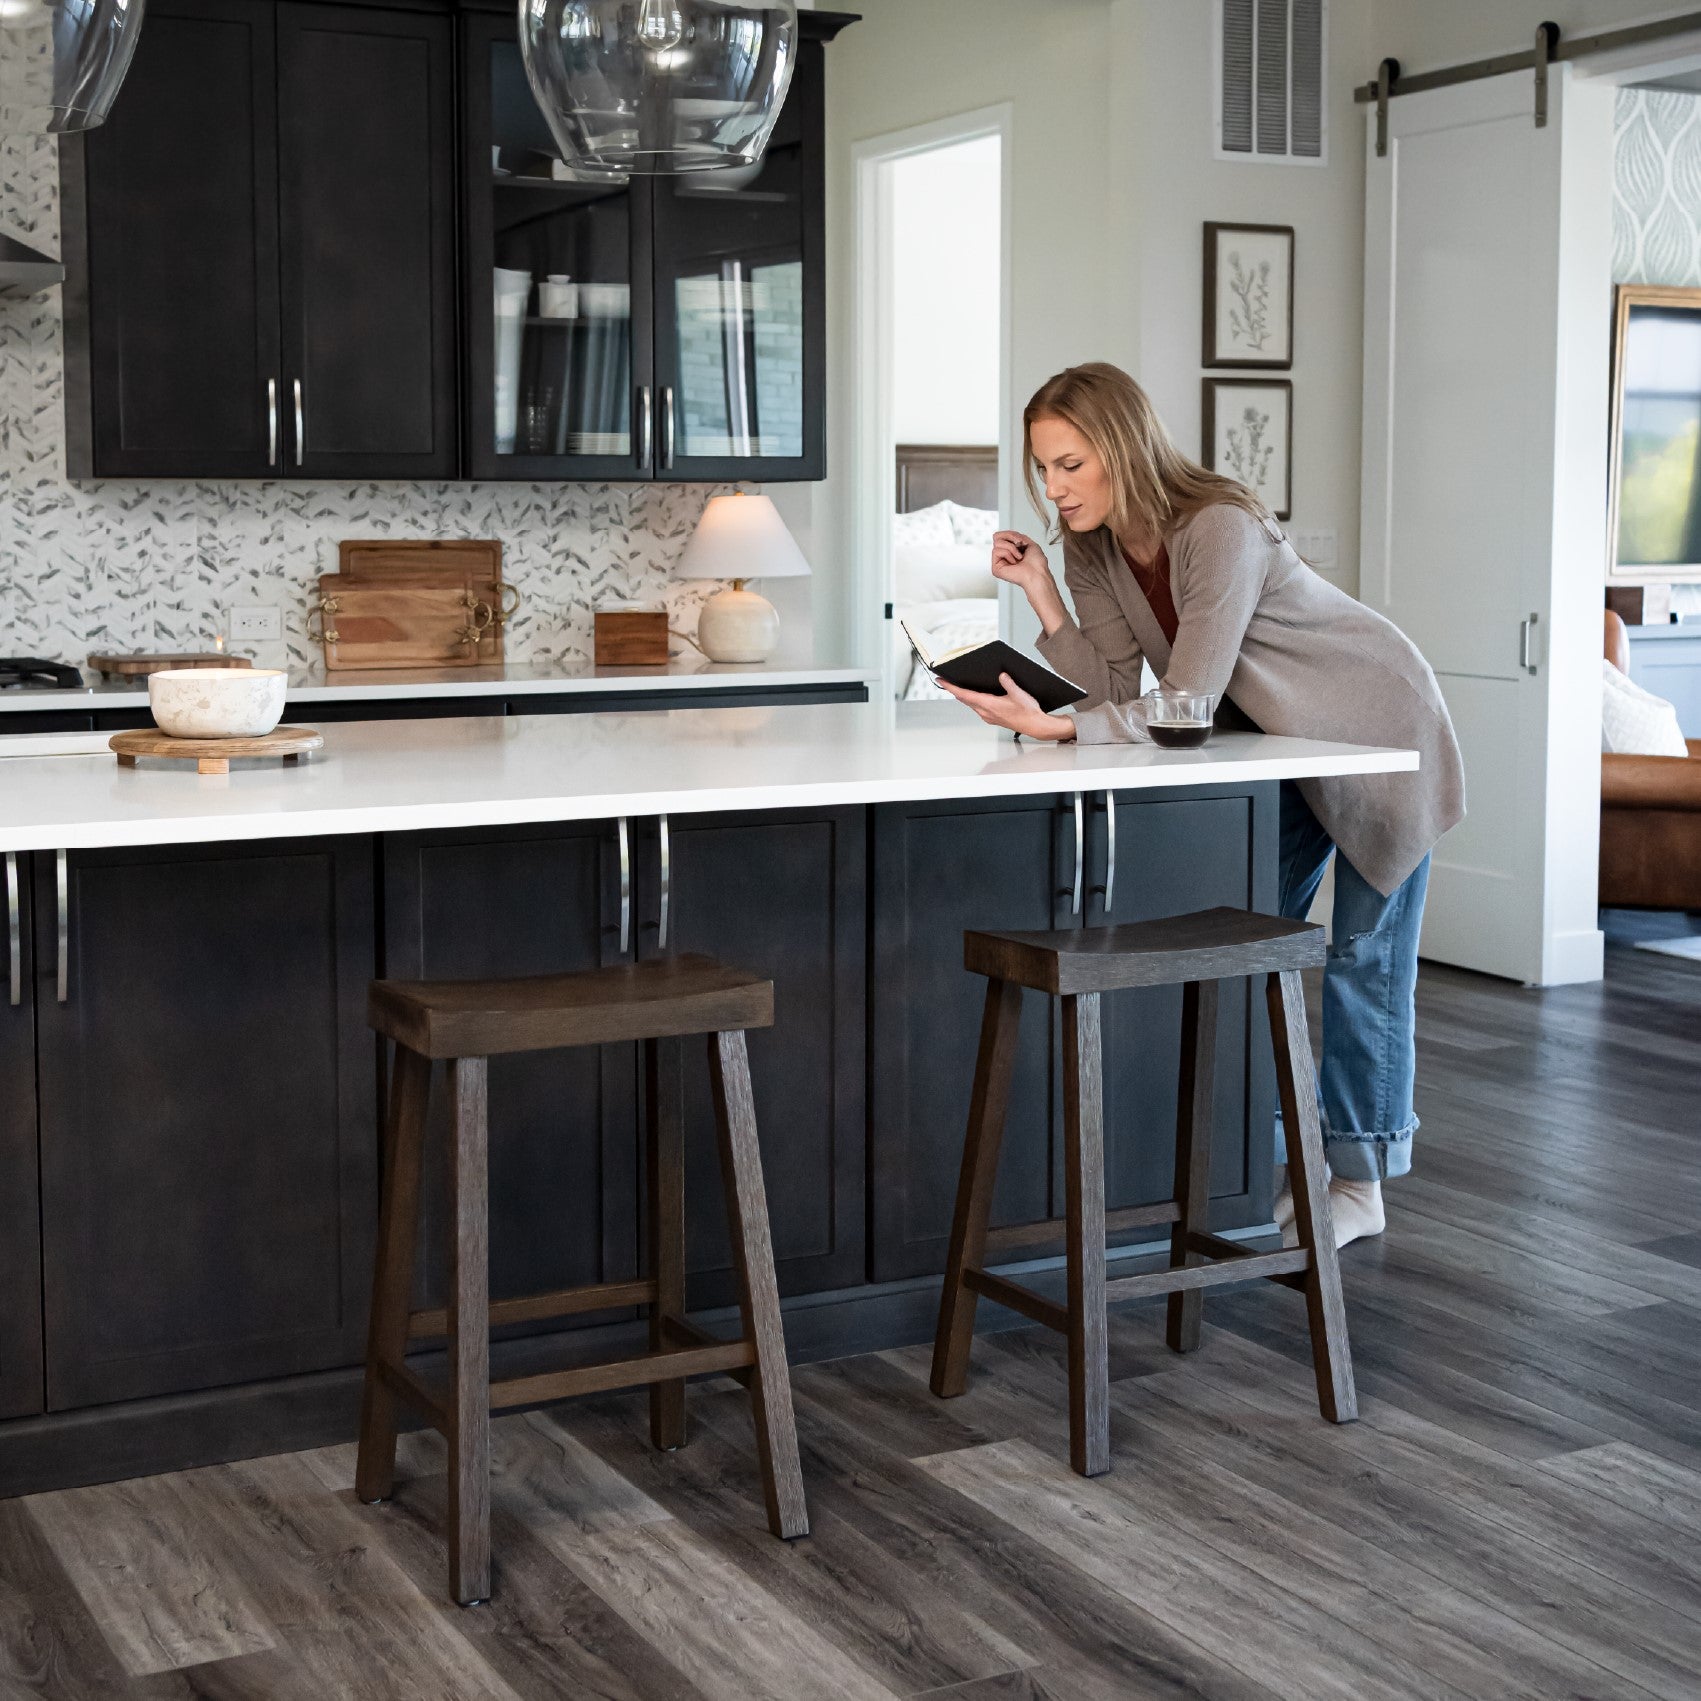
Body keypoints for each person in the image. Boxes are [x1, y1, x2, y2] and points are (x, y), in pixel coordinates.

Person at [937, 362, 1465, 1248]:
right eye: (1042, 469)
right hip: (1277, 743)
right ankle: (1254, 1161)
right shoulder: (1090, 545)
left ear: (1119, 448)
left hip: (1375, 726)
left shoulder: (1218, 526)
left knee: (1363, 960)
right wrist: (1040, 596)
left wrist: (1063, 733)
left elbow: (1182, 699)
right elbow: (1105, 686)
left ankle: (1358, 1185)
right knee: (1239, 939)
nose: (1053, 489)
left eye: (1069, 464)